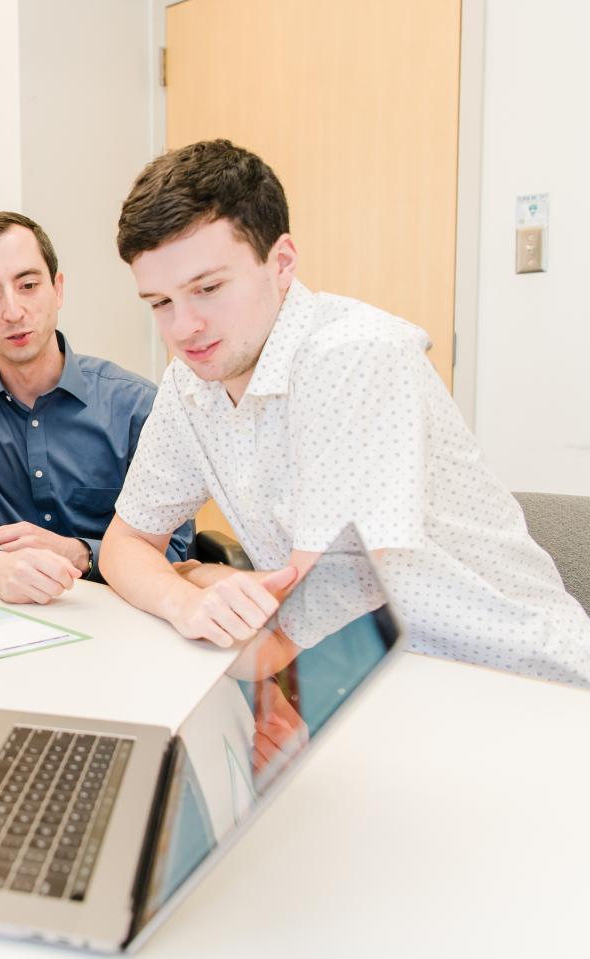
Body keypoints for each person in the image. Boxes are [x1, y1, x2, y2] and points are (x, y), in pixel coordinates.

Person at [101, 138, 590, 686]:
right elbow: (123, 546)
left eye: (208, 288)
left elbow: (290, 627)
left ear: (281, 262)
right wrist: (181, 599)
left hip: (518, 680)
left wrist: (201, 573)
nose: (183, 328)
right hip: (370, 683)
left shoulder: (355, 355)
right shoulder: (190, 382)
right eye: (160, 303)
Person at [0, 212, 193, 605]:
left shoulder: (135, 405)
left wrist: (81, 552)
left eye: (28, 285)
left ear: (57, 289)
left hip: (120, 620)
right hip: (0, 620)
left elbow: (177, 548)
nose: (13, 311)